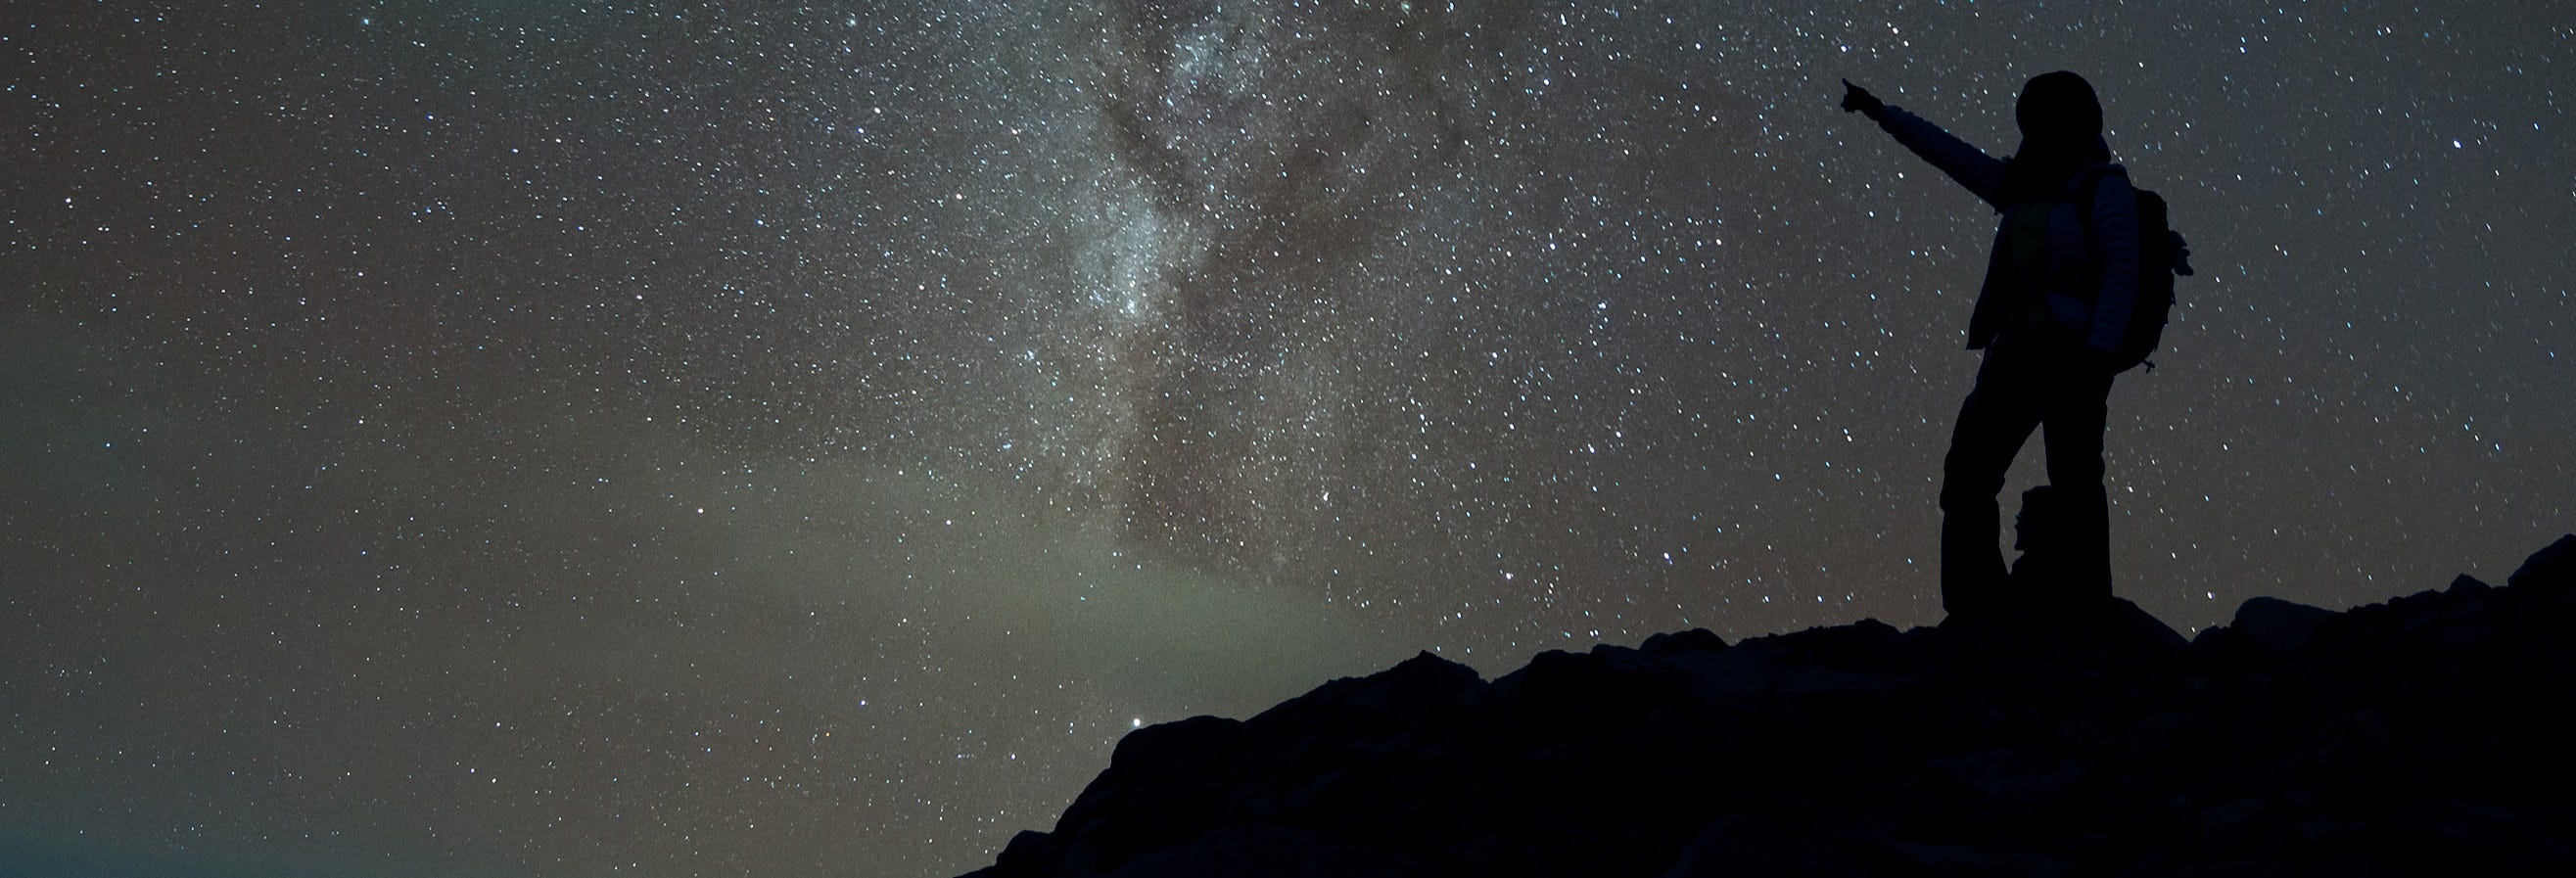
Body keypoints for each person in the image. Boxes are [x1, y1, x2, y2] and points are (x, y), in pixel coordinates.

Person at [1839, 71, 2140, 618]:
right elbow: (1950, 154)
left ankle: (2087, 607)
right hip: (2017, 354)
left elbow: (2122, 269)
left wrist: (2100, 355)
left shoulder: (2104, 187)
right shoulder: (2022, 189)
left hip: (2074, 357)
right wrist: (1882, 113)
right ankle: (1978, 608)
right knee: (1969, 478)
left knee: (2074, 481)